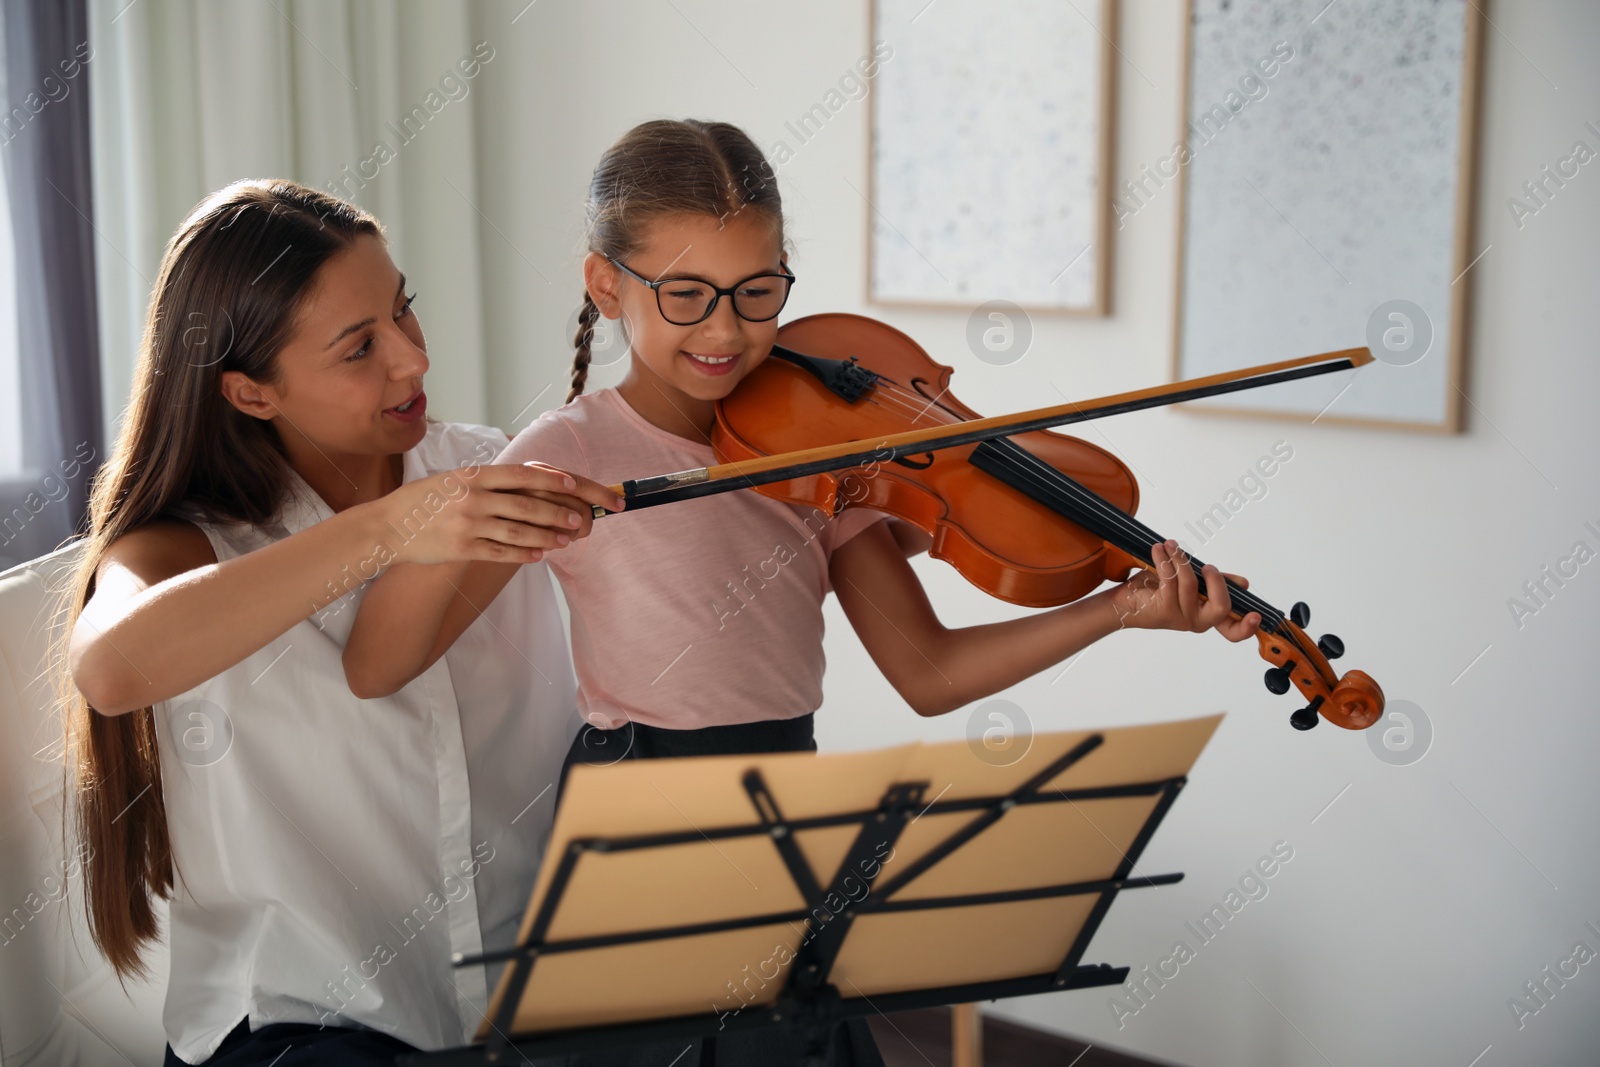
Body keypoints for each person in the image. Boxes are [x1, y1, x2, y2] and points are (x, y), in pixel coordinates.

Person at [342, 119, 1260, 1067]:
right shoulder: (567, 454)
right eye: (688, 295)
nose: (729, 331)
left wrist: (1116, 608)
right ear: (607, 284)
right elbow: (377, 666)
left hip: (785, 794)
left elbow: (930, 671)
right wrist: (445, 516)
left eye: (758, 292)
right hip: (642, 804)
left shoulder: (823, 454)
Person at [62, 179, 619, 1066]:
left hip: (527, 1005)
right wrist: (394, 529)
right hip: (298, 1027)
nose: (412, 362)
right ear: (250, 394)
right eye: (361, 348)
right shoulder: (183, 544)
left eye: (405, 314)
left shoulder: (491, 469)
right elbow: (112, 668)